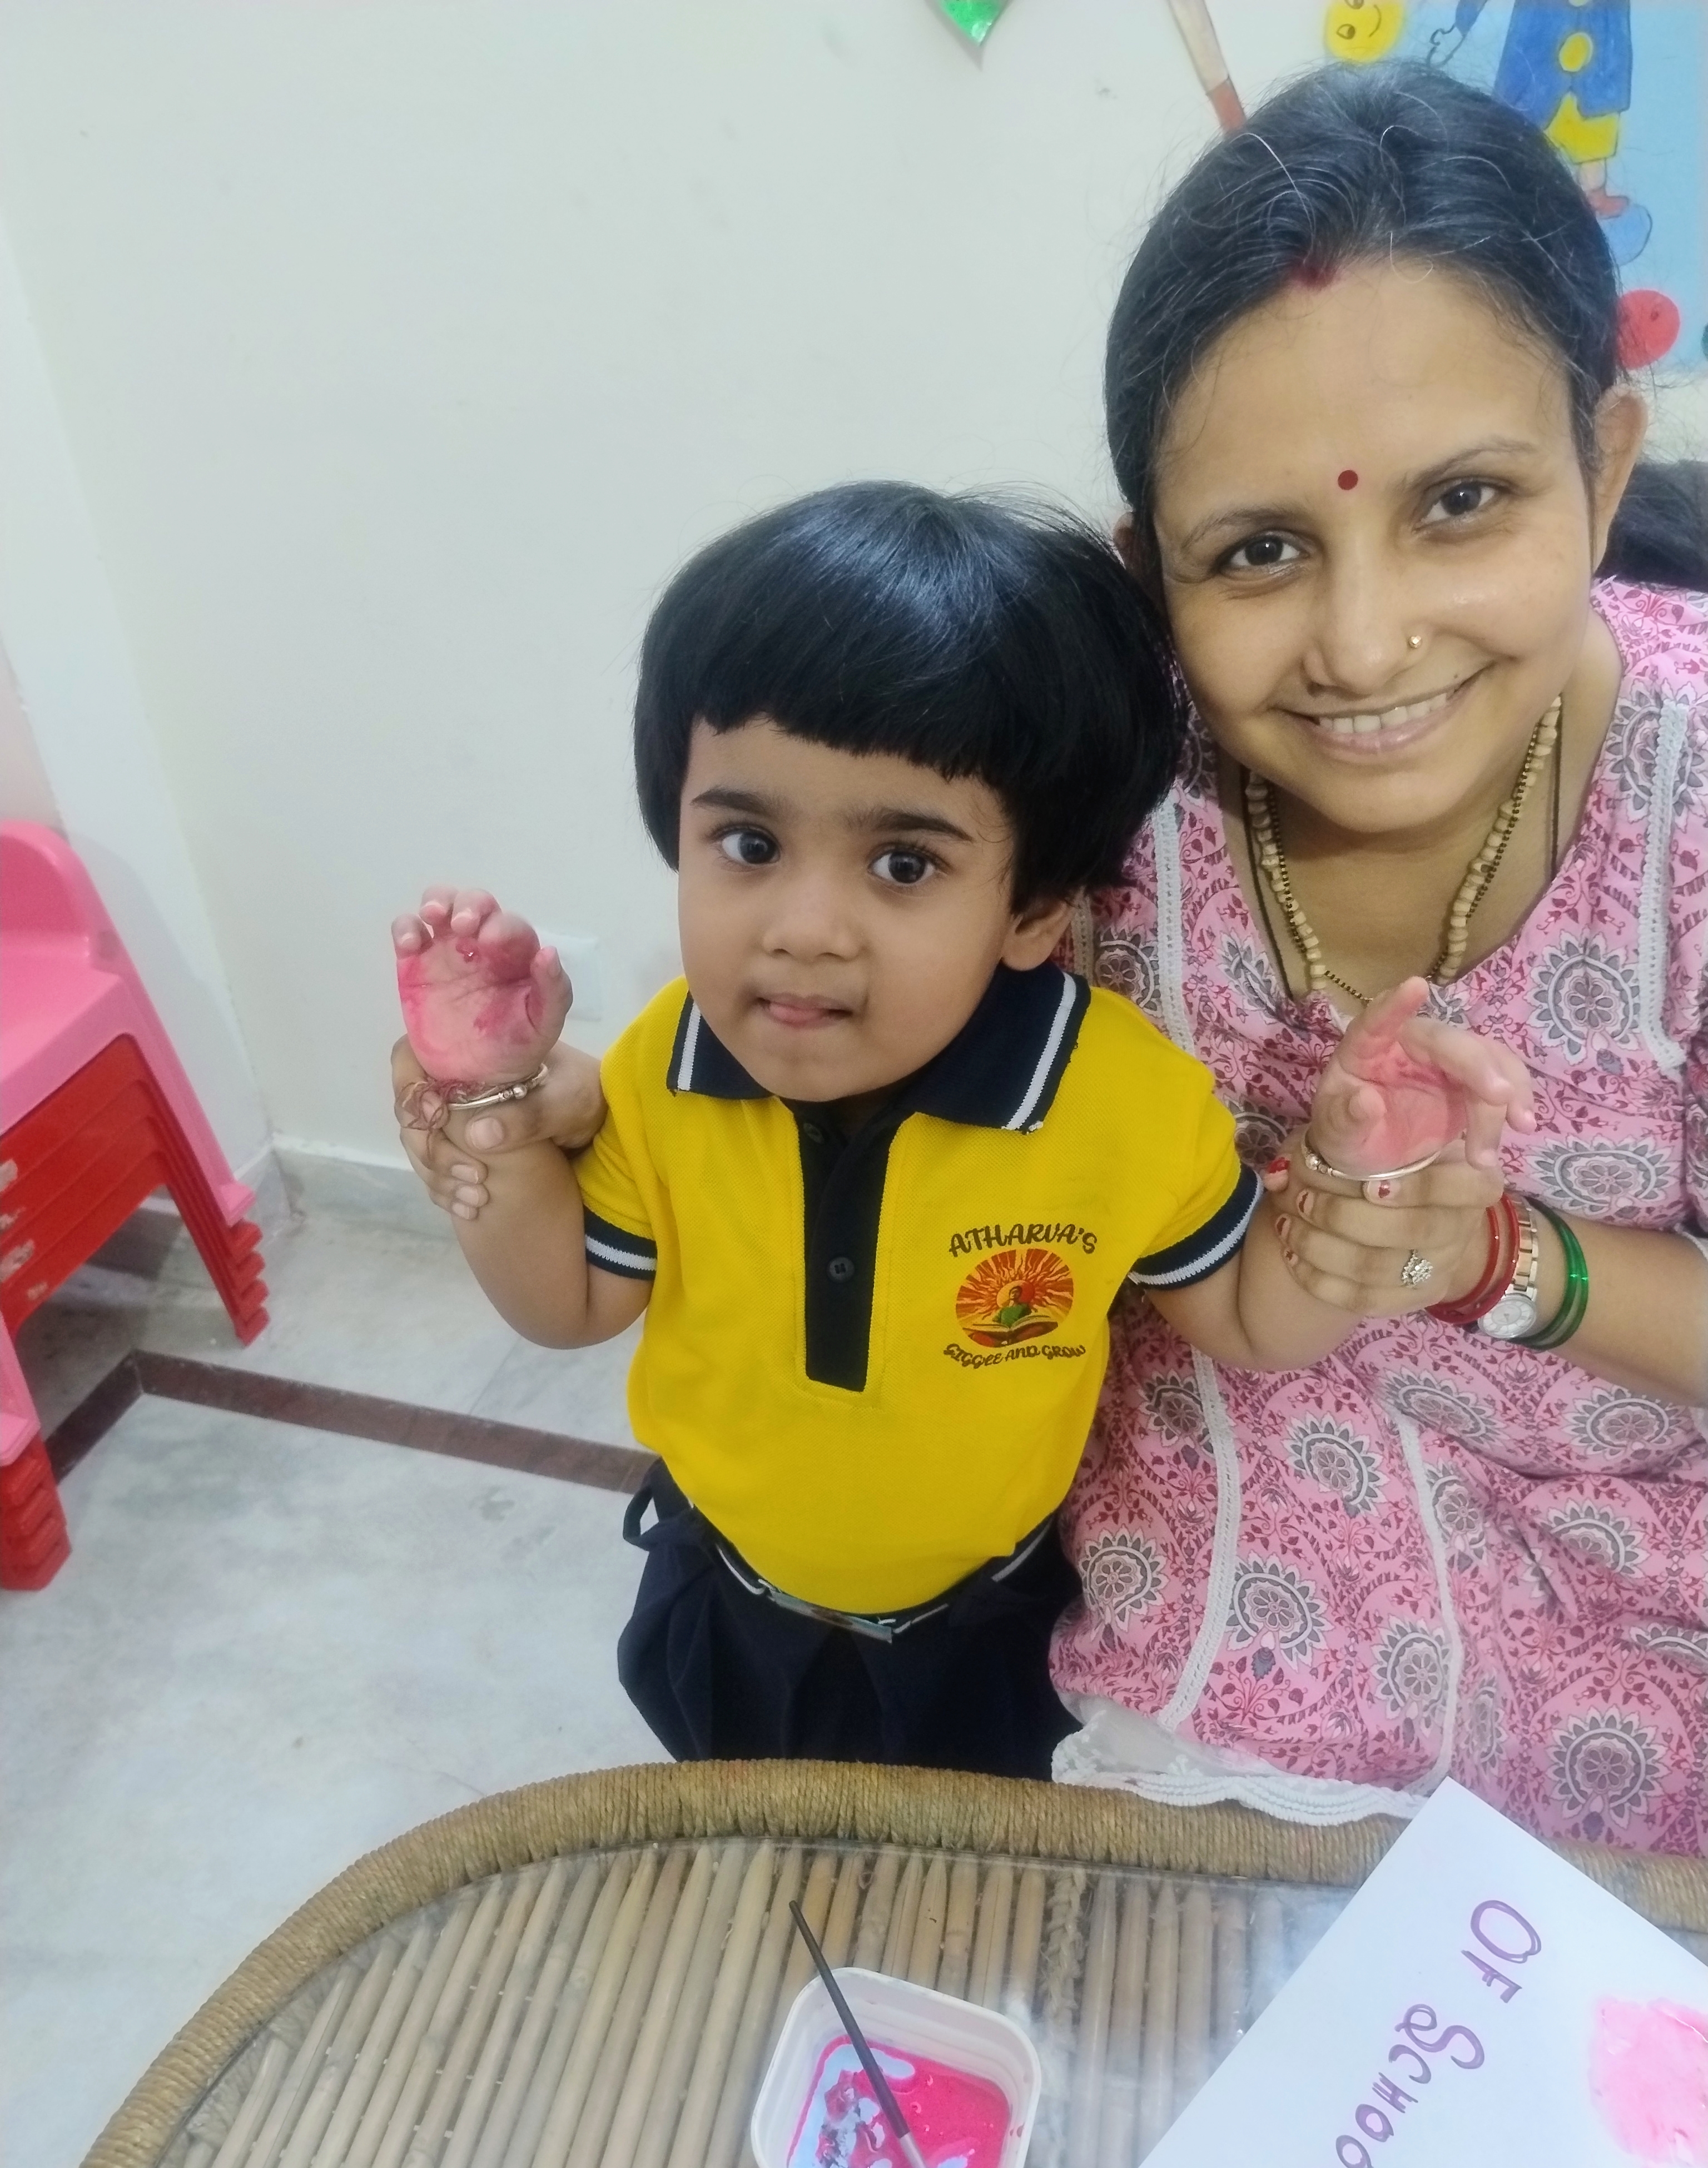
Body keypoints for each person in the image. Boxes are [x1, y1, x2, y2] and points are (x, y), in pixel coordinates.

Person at [388, 482, 1527, 1779]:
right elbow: (570, 1305)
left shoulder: (1118, 1102)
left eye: (904, 866)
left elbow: (1255, 1322)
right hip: (727, 1595)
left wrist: (1359, 1174)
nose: (803, 925)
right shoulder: (668, 1063)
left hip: (992, 1626)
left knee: (967, 1891)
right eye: (749, 843)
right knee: (757, 1835)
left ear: (1035, 910)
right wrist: (490, 1122)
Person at [1045, 61, 1708, 1853]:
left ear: (1608, 458)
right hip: (1245, 1502)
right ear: (1149, 571)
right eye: (1259, 551)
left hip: (1655, 1522)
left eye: (1461, 503)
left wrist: (1492, 1254)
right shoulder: (1104, 779)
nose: (1361, 641)